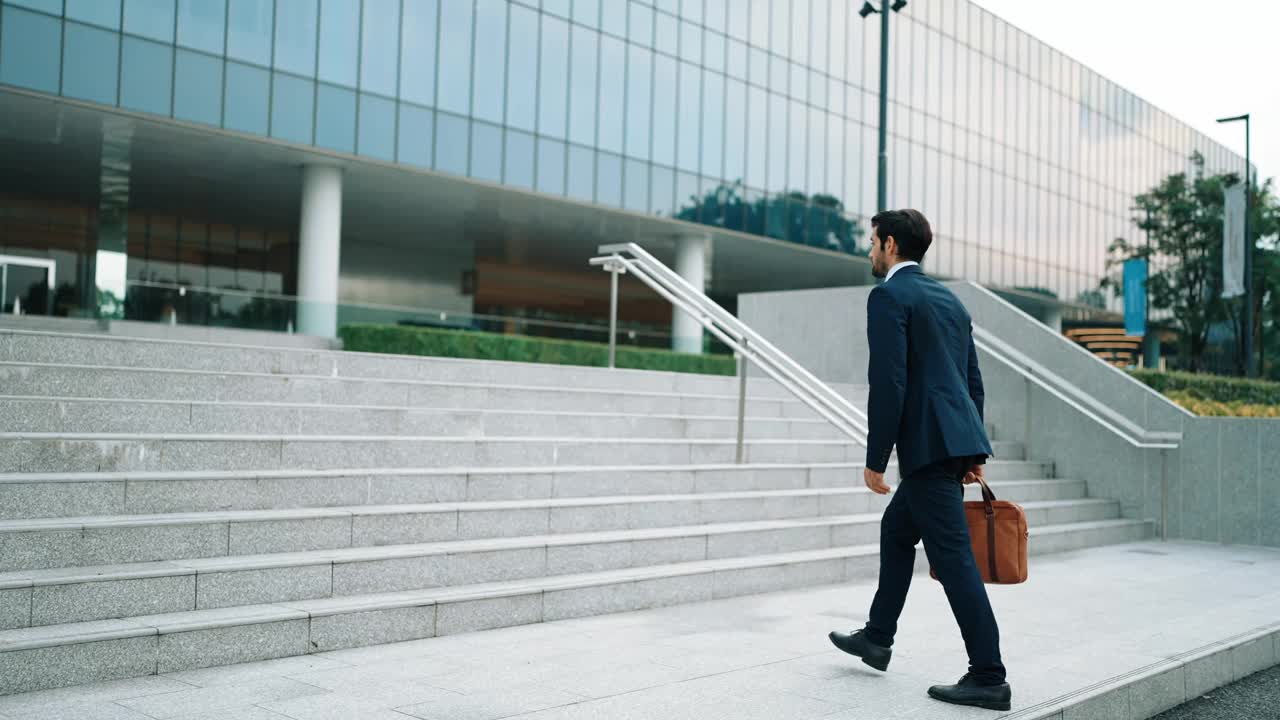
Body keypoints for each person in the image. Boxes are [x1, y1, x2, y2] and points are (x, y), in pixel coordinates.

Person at [827, 209, 1011, 712]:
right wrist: (970, 451)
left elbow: (889, 382)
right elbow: (971, 380)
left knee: (953, 561)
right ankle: (877, 637)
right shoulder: (949, 299)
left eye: (871, 242)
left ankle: (989, 675)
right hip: (950, 443)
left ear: (889, 245)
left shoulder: (889, 295)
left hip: (928, 449)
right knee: (896, 530)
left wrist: (876, 456)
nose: (869, 251)